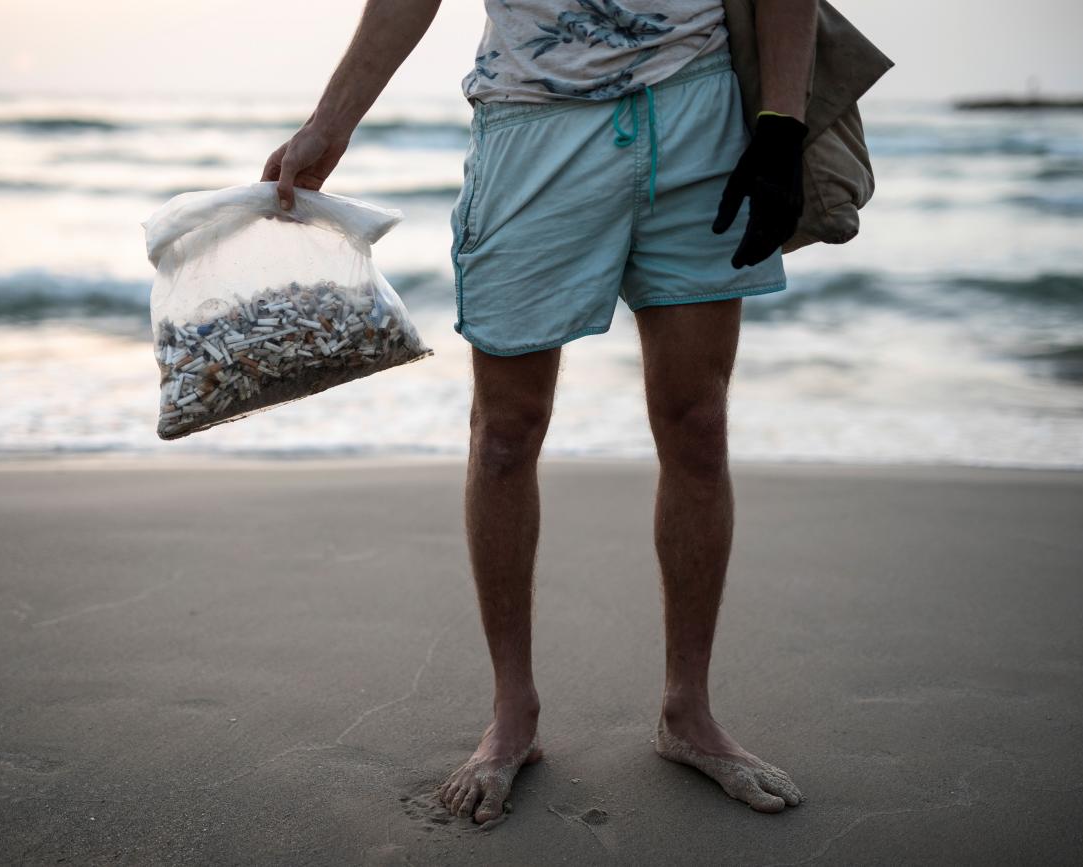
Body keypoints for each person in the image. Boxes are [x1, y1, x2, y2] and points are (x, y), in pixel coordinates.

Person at [263, 0, 814, 823]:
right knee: (505, 436)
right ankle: (512, 713)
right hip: (533, 123)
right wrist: (329, 122)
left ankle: (688, 713)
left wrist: (782, 124)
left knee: (697, 421)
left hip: (697, 115)